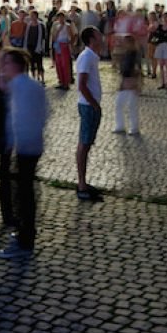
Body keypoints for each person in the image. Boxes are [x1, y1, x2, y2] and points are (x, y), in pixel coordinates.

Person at [0, 47, 46, 259]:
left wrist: (13, 142)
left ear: (16, 65)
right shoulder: (30, 85)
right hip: (31, 146)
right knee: (23, 193)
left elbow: (20, 119)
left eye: (6, 63)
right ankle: (24, 234)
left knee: (23, 195)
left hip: (25, 147)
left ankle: (25, 241)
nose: (3, 68)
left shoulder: (20, 87)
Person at [74, 26, 104, 201]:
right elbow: (82, 85)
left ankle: (83, 182)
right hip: (88, 106)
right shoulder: (86, 57)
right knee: (84, 144)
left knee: (86, 143)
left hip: (90, 105)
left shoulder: (91, 57)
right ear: (92, 39)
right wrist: (94, 105)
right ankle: (82, 184)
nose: (101, 36)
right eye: (98, 34)